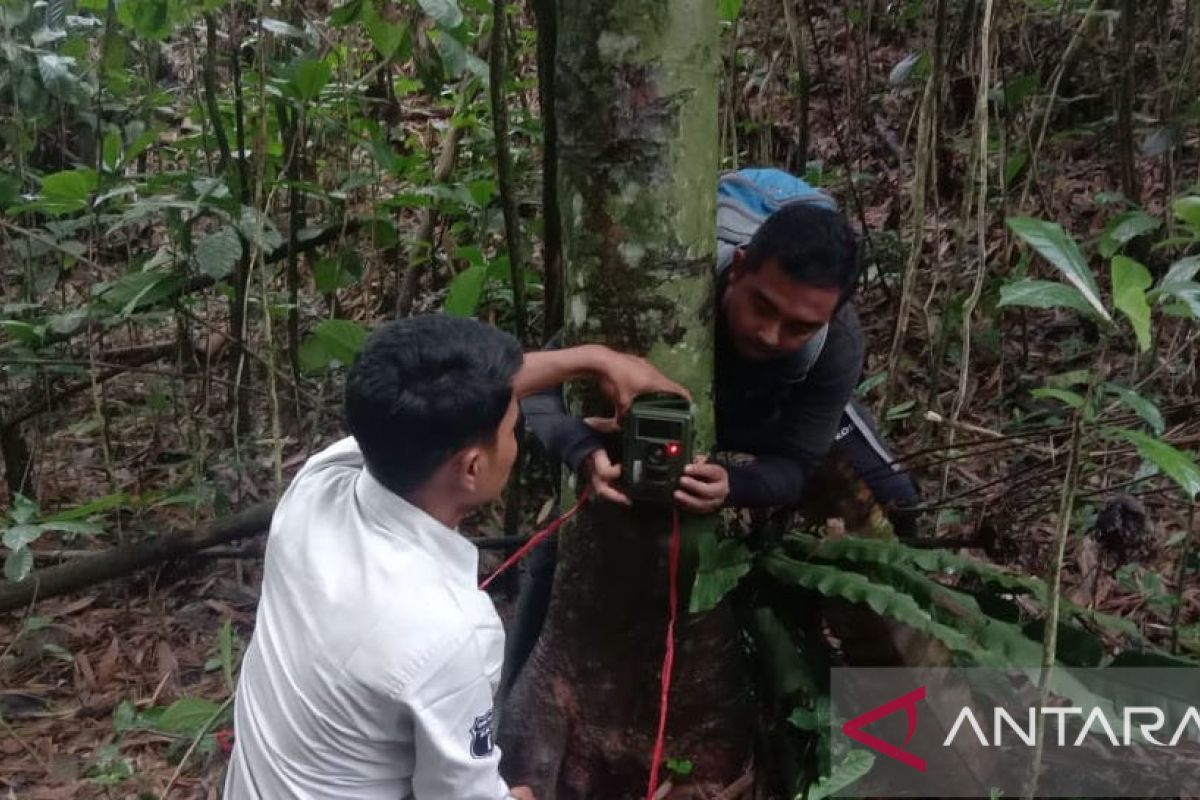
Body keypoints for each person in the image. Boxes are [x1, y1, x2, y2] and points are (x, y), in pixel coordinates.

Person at [224, 314, 686, 800]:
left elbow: (457, 401)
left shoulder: (318, 484)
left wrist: (595, 360)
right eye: (513, 428)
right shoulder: (449, 632)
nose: (517, 436)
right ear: (471, 467)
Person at [508, 182, 920, 687]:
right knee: (564, 551)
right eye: (762, 307)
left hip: (772, 410)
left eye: (799, 326)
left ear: (831, 319)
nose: (771, 334)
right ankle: (512, 699)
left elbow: (796, 464)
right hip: (662, 420)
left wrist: (734, 485)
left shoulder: (834, 346)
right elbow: (540, 388)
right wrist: (578, 447)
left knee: (898, 505)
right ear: (740, 267)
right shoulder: (665, 290)